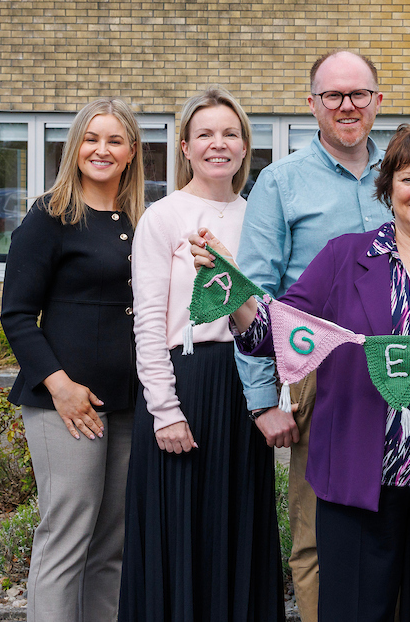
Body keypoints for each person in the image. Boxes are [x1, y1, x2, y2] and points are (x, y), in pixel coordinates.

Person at [199, 121, 410, 622]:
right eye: (409, 177)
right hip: (356, 481)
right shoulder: (344, 257)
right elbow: (272, 332)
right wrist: (233, 288)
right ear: (388, 186)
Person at [234, 49, 393, 622]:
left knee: (394, 526)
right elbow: (250, 299)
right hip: (318, 377)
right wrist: (261, 401)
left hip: (403, 372)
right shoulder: (280, 184)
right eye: (334, 95)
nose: (347, 105)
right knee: (317, 531)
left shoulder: (404, 175)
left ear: (378, 101)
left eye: (359, 94)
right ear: (312, 105)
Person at [118, 88, 283, 621]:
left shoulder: (261, 216)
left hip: (246, 383)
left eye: (230, 133)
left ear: (245, 147)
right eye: (205, 134)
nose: (219, 144)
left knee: (236, 525)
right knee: (179, 530)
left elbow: (268, 315)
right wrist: (164, 409)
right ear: (185, 147)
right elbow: (147, 322)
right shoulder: (163, 218)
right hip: (185, 384)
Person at [0, 97, 145, 622]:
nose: (101, 149)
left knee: (111, 544)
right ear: (75, 147)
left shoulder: (138, 219)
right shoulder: (51, 215)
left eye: (113, 140)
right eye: (91, 138)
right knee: (66, 536)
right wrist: (61, 386)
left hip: (128, 403)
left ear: (131, 151)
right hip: (66, 405)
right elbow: (16, 315)